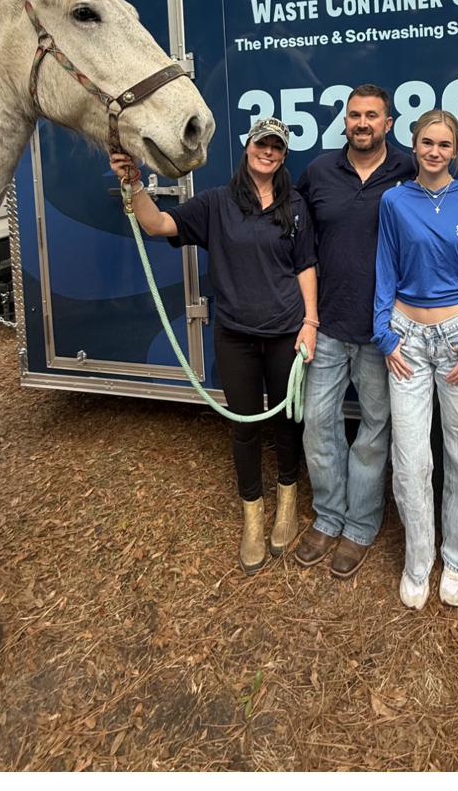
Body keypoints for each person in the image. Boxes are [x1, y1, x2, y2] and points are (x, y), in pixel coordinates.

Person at [109, 117, 318, 575]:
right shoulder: (217, 204)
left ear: (283, 156)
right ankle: (252, 515)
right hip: (235, 333)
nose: (269, 152)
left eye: (277, 148)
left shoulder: (295, 205)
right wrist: (134, 183)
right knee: (243, 427)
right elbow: (158, 224)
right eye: (262, 144)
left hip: (286, 330)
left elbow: (305, 266)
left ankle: (287, 501)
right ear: (248, 148)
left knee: (287, 420)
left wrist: (311, 322)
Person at [294, 85, 415, 577]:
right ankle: (328, 517)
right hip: (328, 325)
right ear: (345, 122)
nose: (362, 123)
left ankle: (361, 527)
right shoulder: (320, 172)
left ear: (389, 123)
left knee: (372, 433)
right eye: (354, 115)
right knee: (318, 425)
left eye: (372, 116)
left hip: (382, 332)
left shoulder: (408, 170)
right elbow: (298, 240)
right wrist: (305, 315)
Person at [373, 109, 458, 609]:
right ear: (414, 145)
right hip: (407, 341)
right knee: (411, 457)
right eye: (426, 142)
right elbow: (385, 265)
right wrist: (384, 335)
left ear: (455, 151)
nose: (434, 151)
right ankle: (418, 561)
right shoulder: (394, 200)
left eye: (444, 144)